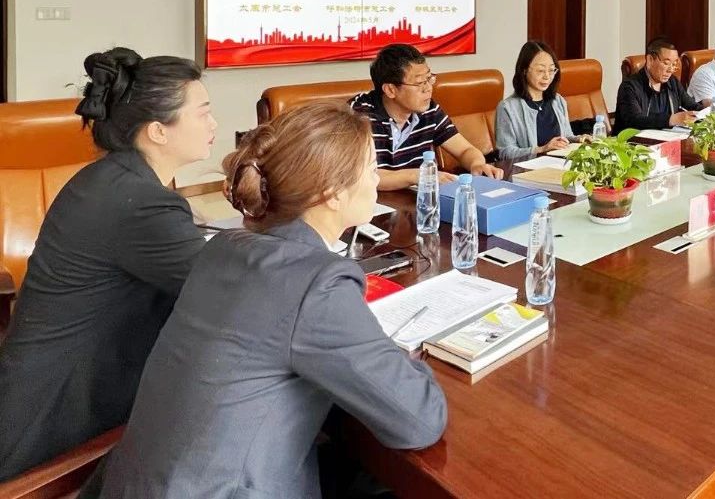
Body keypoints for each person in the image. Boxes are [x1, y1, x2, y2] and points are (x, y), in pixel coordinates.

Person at [94, 102, 447, 498]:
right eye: (372, 169)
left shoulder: (223, 249)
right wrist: (401, 358)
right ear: (332, 193)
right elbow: (419, 420)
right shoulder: (318, 283)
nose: (376, 180)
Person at [0, 48, 216, 481]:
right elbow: (227, 291)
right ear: (158, 131)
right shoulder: (140, 202)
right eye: (203, 112)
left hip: (40, 393)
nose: (214, 124)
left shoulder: (111, 179)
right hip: (53, 427)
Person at [349, 43, 502, 190]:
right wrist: (419, 175)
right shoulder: (358, 116)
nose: (428, 88)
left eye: (429, 79)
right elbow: (363, 176)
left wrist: (477, 164)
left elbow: (465, 150)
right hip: (369, 203)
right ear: (390, 90)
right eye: (420, 83)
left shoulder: (428, 110)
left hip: (413, 199)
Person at [495, 41, 589, 161]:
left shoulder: (558, 101)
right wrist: (542, 149)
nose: (547, 77)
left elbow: (565, 137)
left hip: (560, 165)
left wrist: (579, 139)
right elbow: (505, 153)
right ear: (524, 70)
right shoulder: (508, 108)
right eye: (540, 71)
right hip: (529, 170)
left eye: (551, 70)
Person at [614, 38, 699, 131]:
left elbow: (692, 106)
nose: (671, 70)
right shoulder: (629, 87)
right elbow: (634, 121)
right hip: (635, 139)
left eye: (674, 64)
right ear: (650, 60)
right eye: (666, 63)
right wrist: (671, 120)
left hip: (667, 137)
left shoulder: (672, 82)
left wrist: (707, 112)